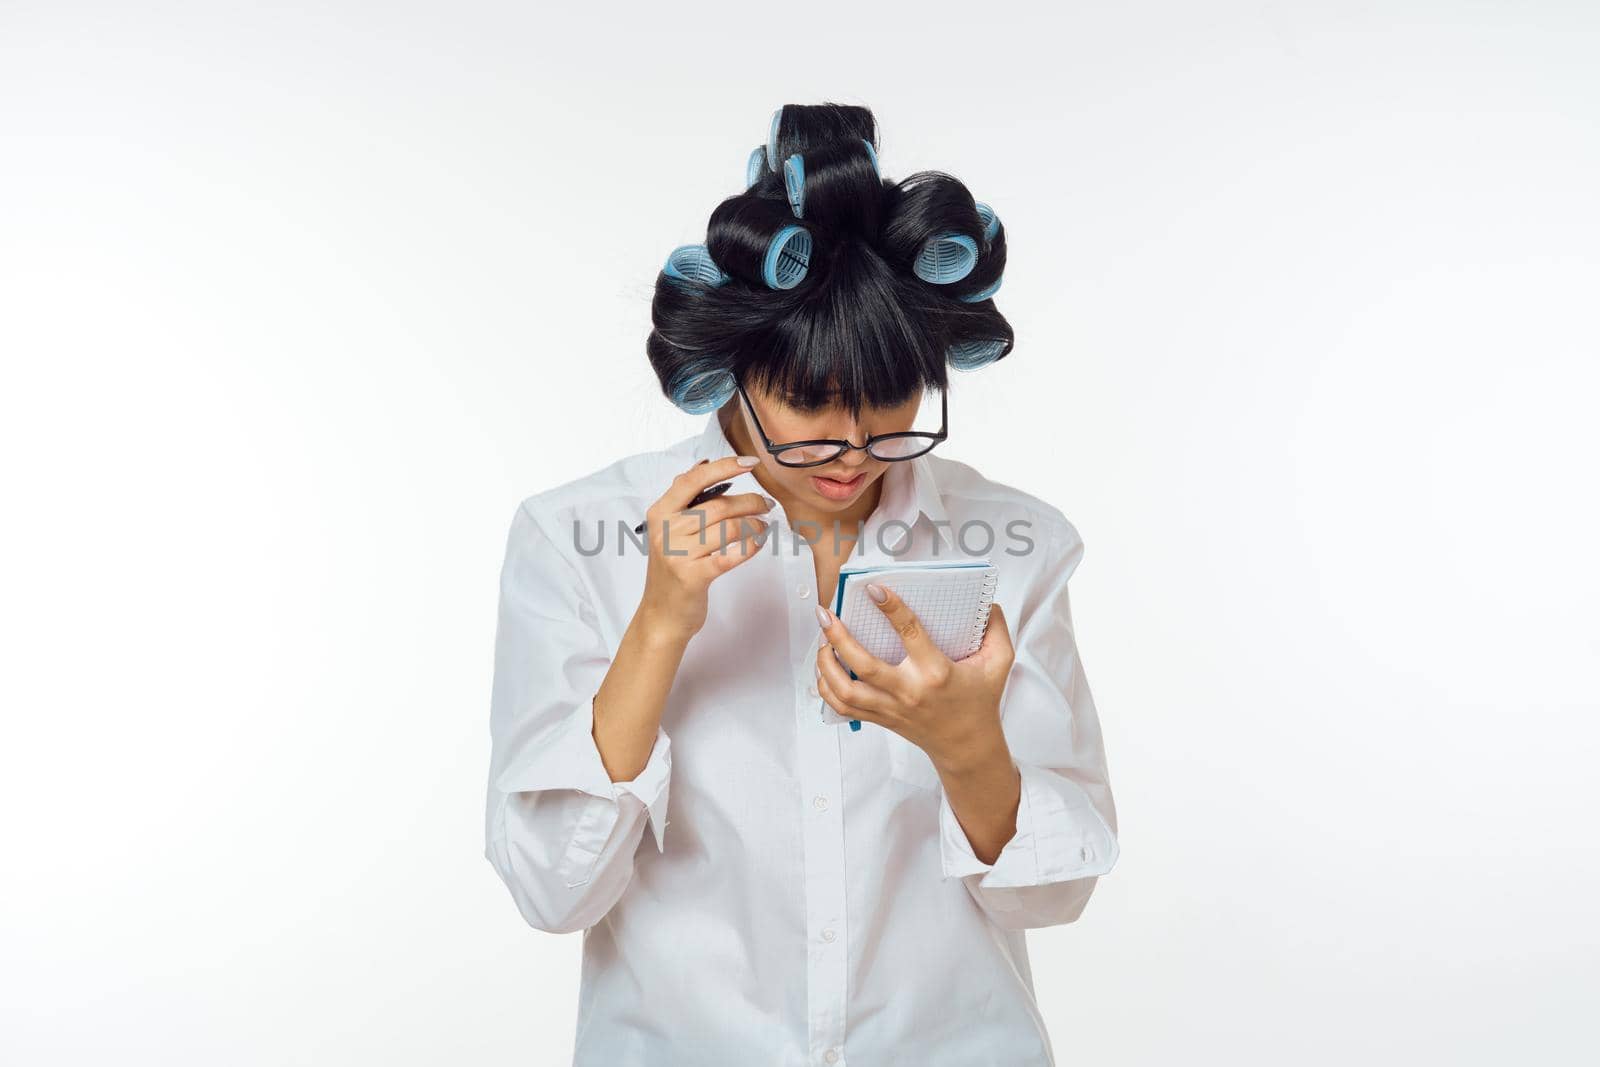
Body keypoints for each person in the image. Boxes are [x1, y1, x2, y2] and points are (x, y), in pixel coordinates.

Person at [483, 103, 1120, 1066]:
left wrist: (965, 744)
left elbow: (1053, 893)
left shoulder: (1020, 543)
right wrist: (660, 623)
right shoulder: (576, 538)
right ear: (736, 369)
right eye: (812, 409)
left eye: (891, 410)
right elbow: (552, 891)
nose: (853, 454)